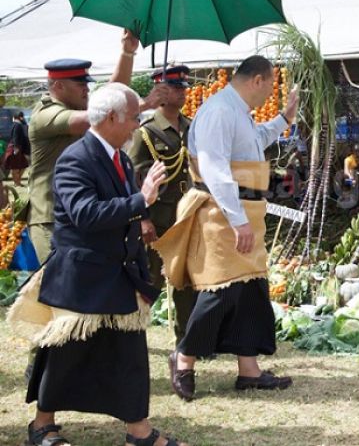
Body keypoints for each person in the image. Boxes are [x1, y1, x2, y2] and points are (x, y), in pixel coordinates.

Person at [9, 83, 187, 446]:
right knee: (65, 355)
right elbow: (85, 214)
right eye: (135, 117)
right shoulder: (75, 159)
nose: (138, 125)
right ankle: (42, 426)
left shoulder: (120, 158)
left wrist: (143, 205)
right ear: (111, 118)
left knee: (130, 354)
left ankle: (139, 432)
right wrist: (141, 199)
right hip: (82, 276)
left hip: (118, 273)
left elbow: (124, 213)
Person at [153, 56, 298, 401]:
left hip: (245, 208)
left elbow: (252, 142)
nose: (268, 97)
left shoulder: (236, 110)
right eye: (269, 87)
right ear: (258, 80)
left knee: (250, 290)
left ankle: (249, 371)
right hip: (222, 211)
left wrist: (284, 119)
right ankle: (184, 358)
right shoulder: (219, 110)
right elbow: (215, 168)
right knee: (220, 290)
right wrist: (237, 220)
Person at [27, 29, 163, 264]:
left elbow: (111, 98)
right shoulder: (44, 115)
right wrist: (142, 105)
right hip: (51, 218)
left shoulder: (103, 117)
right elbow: (100, 114)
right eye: (79, 84)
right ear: (58, 86)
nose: (87, 89)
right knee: (59, 288)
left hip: (87, 212)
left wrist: (127, 53)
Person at [127, 65, 196, 345]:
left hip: (186, 216)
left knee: (186, 280)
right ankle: (132, 337)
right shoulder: (146, 132)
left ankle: (188, 341)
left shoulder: (191, 126)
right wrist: (142, 219)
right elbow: (134, 179)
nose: (182, 93)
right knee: (149, 281)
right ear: (161, 92)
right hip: (156, 219)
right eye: (175, 88)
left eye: (183, 88)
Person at [4, 111, 31, 186]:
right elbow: (15, 137)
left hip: (18, 148)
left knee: (23, 165)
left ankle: (17, 181)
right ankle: (17, 182)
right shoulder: (17, 125)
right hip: (15, 147)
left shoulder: (19, 125)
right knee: (15, 167)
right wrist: (16, 148)